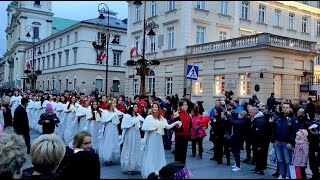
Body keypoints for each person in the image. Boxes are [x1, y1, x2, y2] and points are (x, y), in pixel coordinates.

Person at [140, 102, 182, 179]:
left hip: (159, 140)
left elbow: (168, 127)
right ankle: (150, 173)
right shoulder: (149, 117)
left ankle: (159, 171)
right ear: (152, 108)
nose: (154, 108)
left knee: (158, 154)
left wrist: (176, 122)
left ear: (159, 108)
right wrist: (144, 140)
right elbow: (146, 130)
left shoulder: (161, 118)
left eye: (156, 107)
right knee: (151, 155)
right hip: (152, 139)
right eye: (153, 107)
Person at [119, 103, 144, 174]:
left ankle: (135, 165)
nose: (137, 108)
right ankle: (128, 166)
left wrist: (140, 123)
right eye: (135, 107)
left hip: (136, 133)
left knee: (135, 148)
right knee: (129, 148)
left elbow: (143, 121)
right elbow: (124, 127)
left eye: (137, 107)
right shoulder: (127, 116)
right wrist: (122, 137)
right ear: (132, 108)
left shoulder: (138, 115)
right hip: (130, 134)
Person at [172, 100, 192, 164]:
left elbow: (190, 125)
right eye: (183, 105)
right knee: (178, 152)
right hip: (179, 136)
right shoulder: (176, 114)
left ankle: (183, 165)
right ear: (180, 106)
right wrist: (178, 127)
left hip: (186, 135)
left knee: (184, 151)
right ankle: (177, 166)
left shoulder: (188, 114)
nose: (185, 106)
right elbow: (173, 125)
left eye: (186, 105)